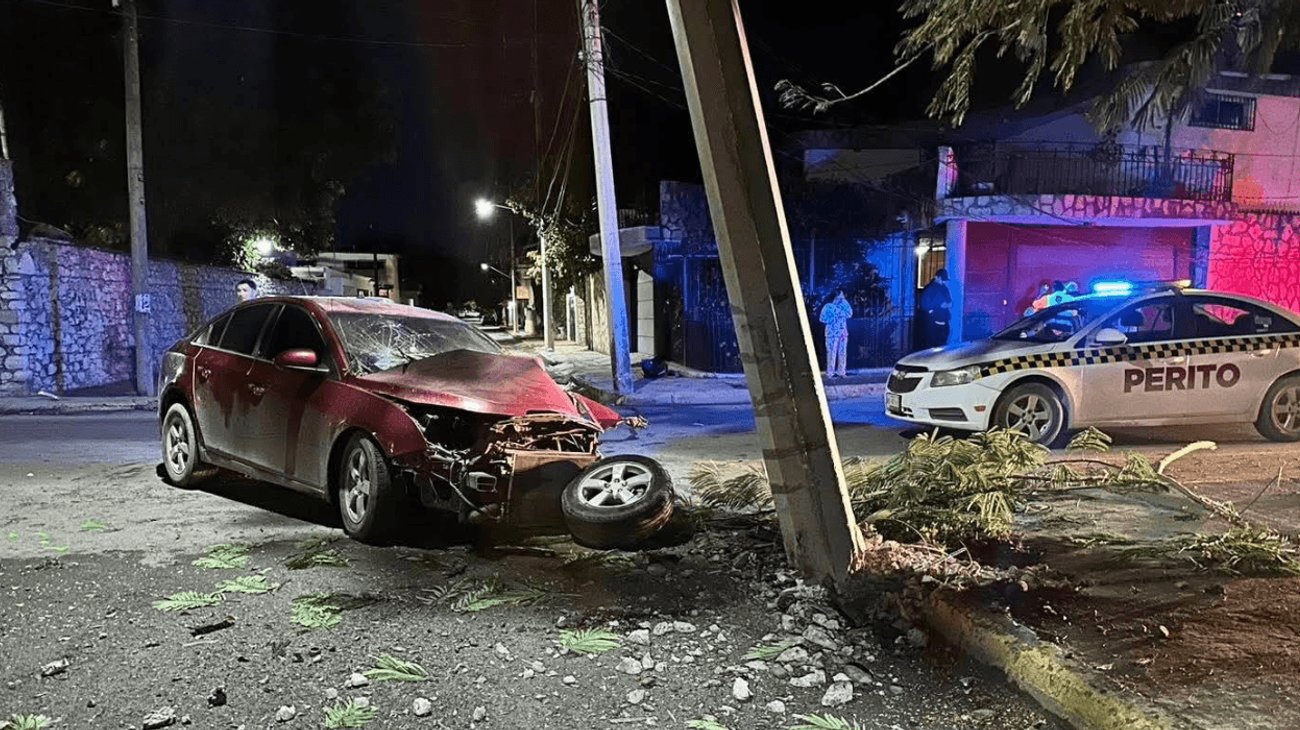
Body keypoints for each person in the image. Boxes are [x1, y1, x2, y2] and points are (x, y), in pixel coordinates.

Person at [819, 290, 853, 378]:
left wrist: (842, 308)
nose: (843, 295)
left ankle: (841, 371)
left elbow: (849, 313)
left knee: (842, 353)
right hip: (832, 333)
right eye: (841, 294)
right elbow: (822, 318)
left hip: (842, 333)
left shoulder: (844, 304)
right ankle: (830, 372)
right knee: (831, 353)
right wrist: (832, 320)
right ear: (836, 295)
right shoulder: (828, 306)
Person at [919, 268, 952, 348]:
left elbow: (950, 301)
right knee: (932, 345)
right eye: (941, 279)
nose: (943, 281)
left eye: (943, 280)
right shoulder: (929, 289)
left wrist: (948, 305)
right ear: (936, 277)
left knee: (942, 344)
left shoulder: (944, 288)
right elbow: (924, 305)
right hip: (932, 322)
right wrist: (938, 306)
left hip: (944, 320)